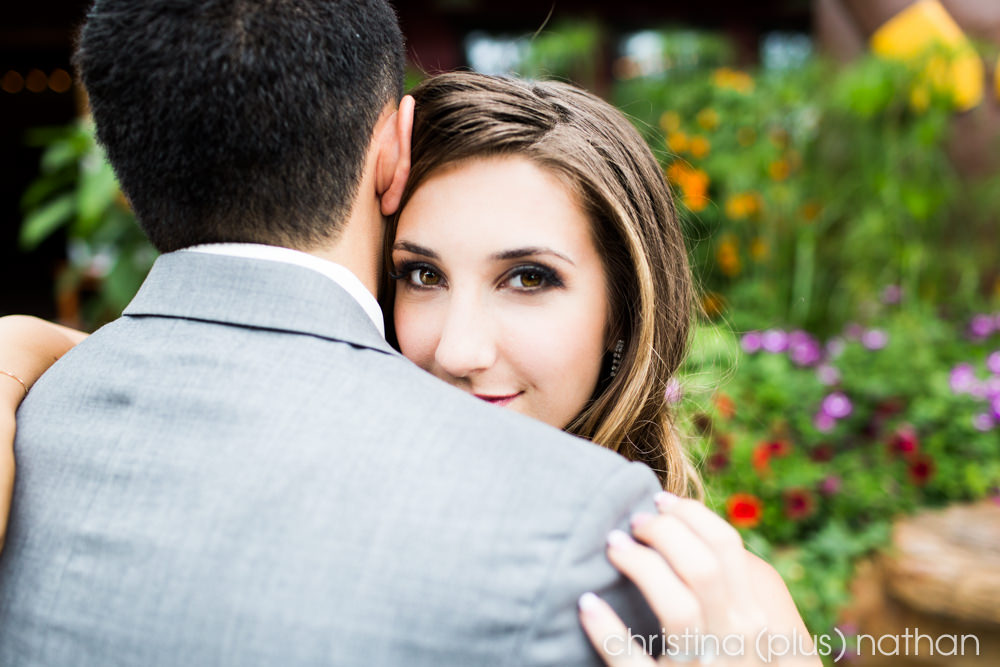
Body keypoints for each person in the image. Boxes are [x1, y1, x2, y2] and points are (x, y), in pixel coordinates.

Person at [0, 61, 819, 666]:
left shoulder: (709, 603)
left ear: (624, 313)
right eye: (420, 274)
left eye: (528, 279)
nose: (457, 350)